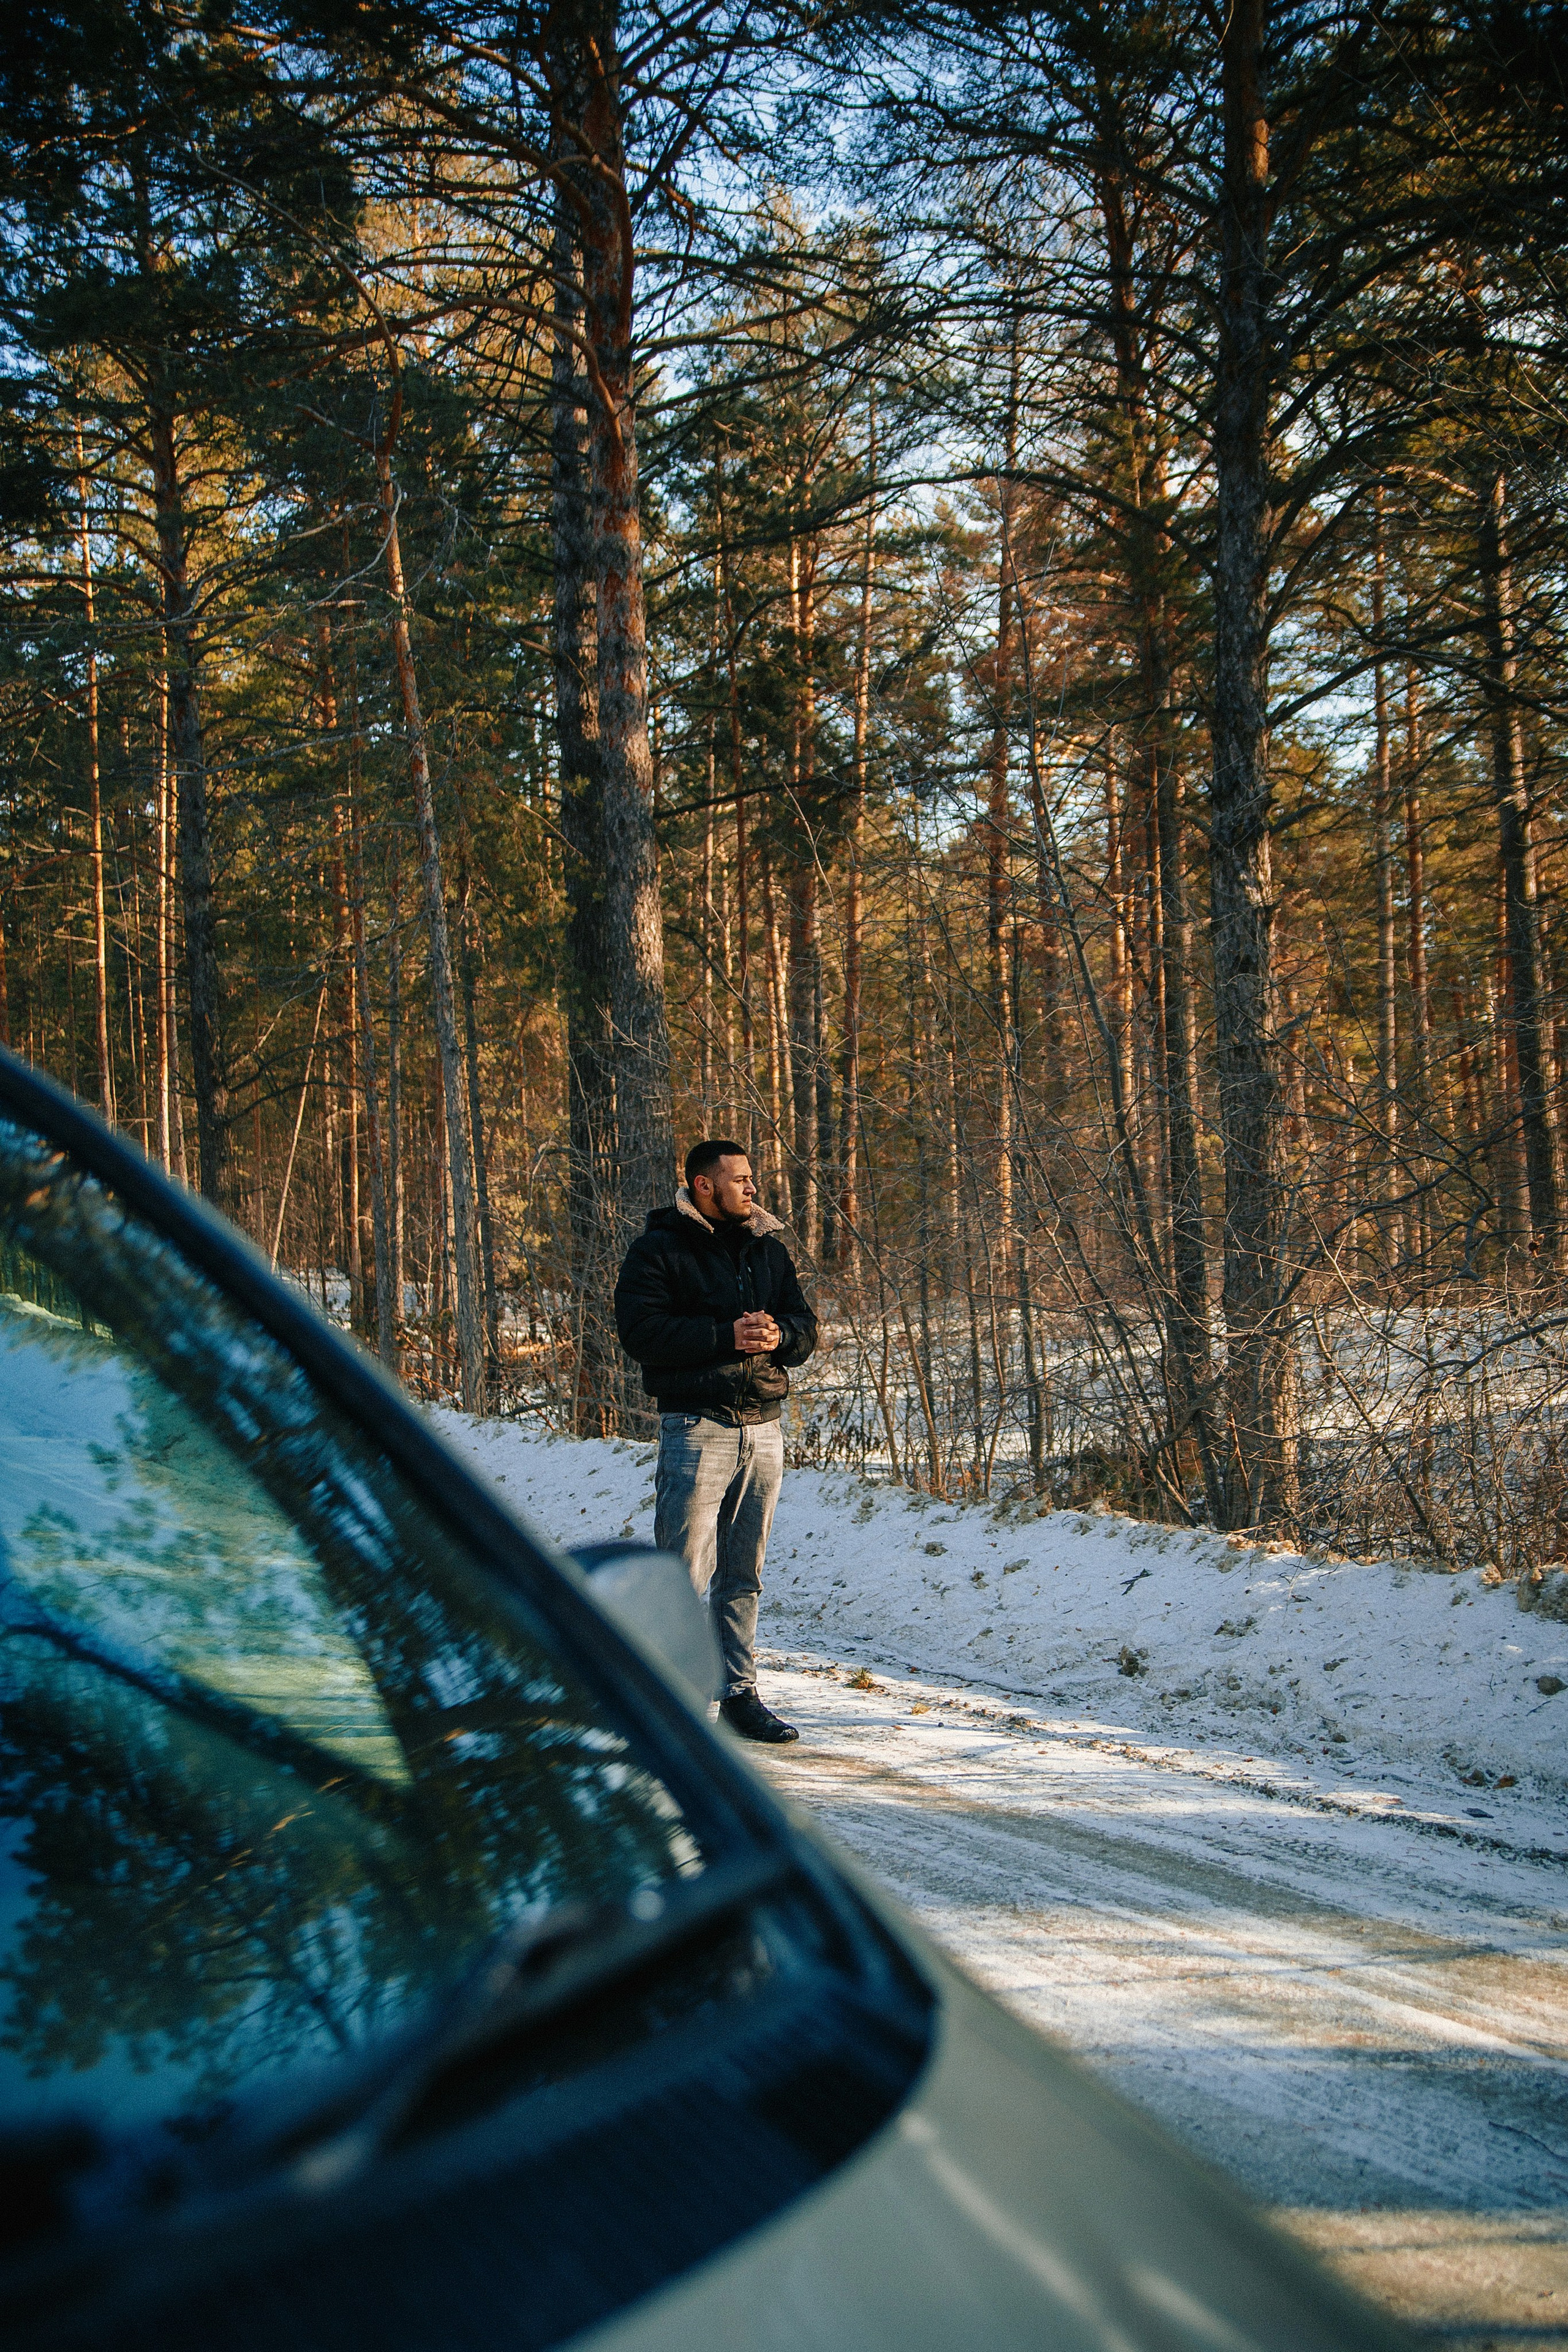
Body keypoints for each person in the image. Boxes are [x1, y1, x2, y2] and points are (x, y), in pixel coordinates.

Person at [613, 1141, 818, 1743]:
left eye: (751, 1179)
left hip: (764, 1428)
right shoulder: (658, 1251)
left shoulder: (768, 1251)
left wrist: (781, 1334)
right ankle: (666, 1702)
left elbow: (806, 1331)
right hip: (696, 1427)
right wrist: (724, 1333)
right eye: (741, 1180)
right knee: (682, 1574)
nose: (752, 1189)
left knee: (742, 1574)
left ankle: (737, 1694)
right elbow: (641, 1333)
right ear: (704, 1186)